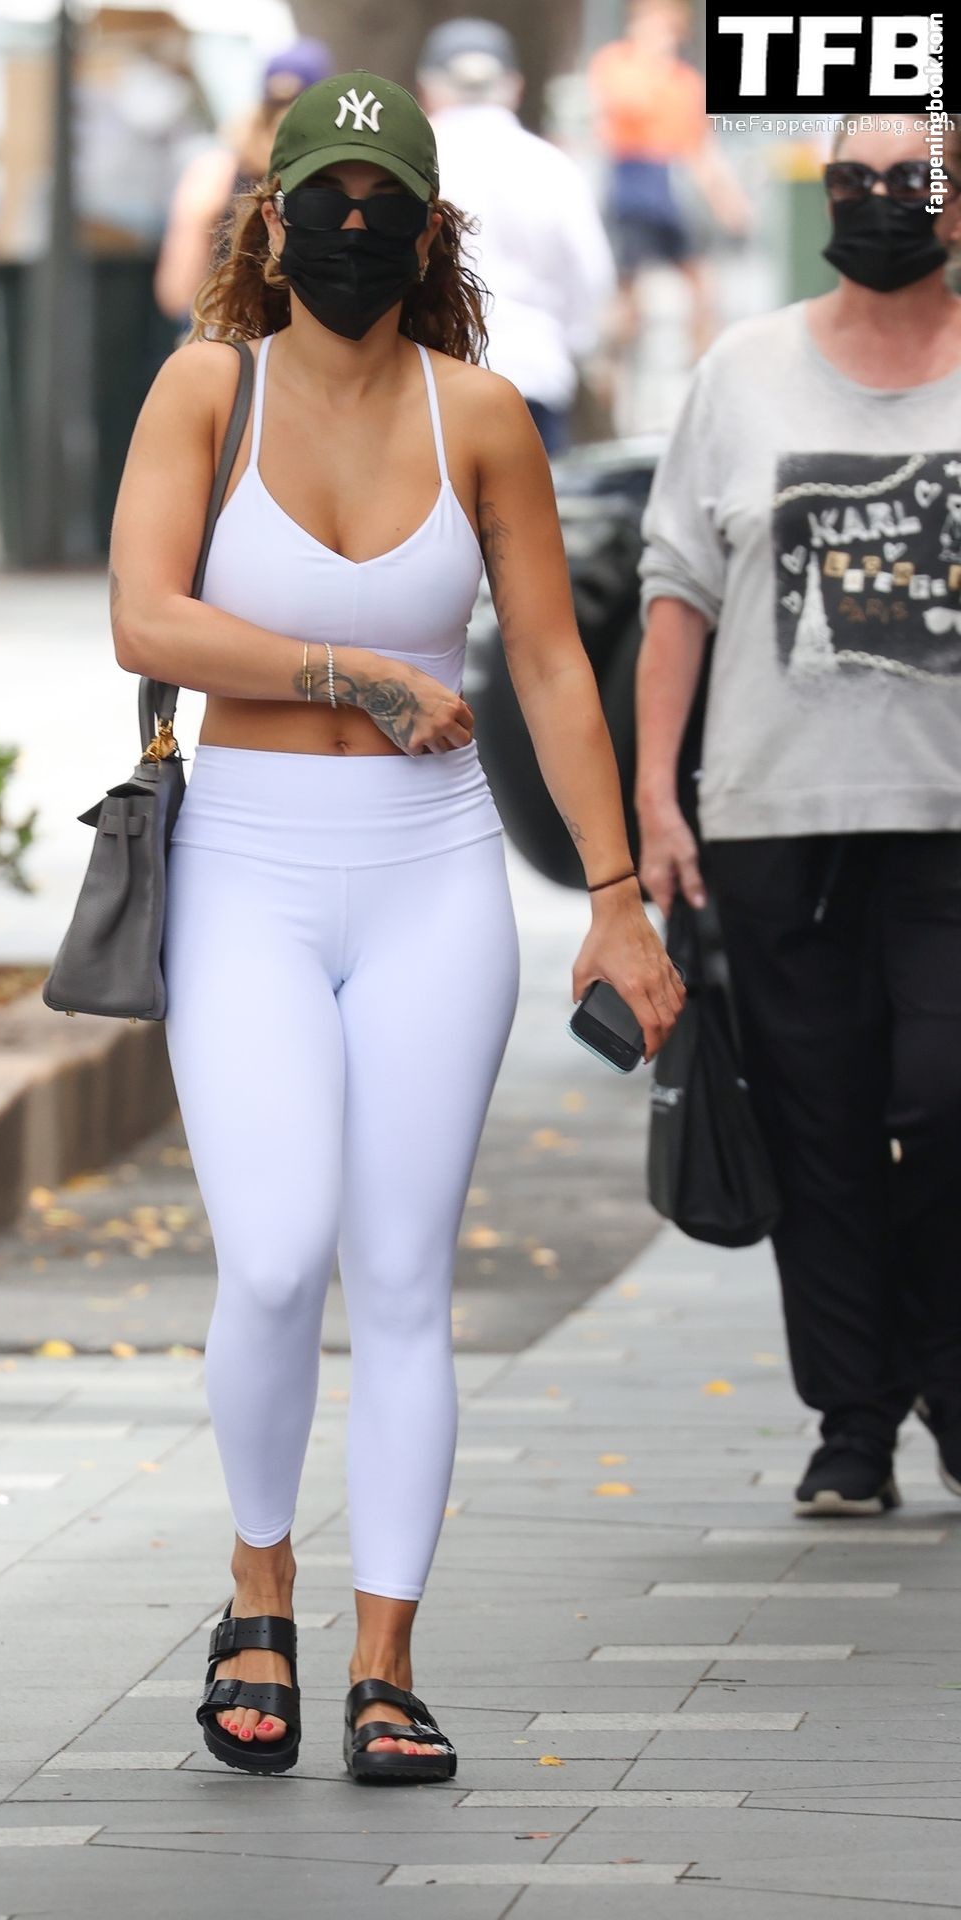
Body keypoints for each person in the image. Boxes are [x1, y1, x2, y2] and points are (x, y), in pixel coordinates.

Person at [111, 68, 683, 1781]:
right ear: (270, 218)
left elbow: (553, 666)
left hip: (433, 873)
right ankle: (258, 1588)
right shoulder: (206, 387)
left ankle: (386, 1661)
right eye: (325, 199)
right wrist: (345, 672)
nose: (352, 228)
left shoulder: (481, 416)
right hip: (251, 868)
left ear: (431, 232)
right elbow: (145, 619)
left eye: (387, 205)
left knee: (409, 1277)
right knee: (279, 1255)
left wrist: (617, 906)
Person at [635, 115, 961, 1517]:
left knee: (943, 1104)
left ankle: (947, 1378)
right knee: (817, 1128)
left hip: (949, 821)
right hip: (774, 817)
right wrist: (654, 795)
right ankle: (852, 1424)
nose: (878, 201)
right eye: (851, 180)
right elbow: (676, 588)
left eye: (911, 180)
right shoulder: (742, 370)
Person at [417, 16, 615, 455]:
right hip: (534, 373)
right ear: (515, 86)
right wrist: (570, 342)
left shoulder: (416, 163)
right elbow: (592, 273)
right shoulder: (552, 165)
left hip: (433, 376)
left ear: (427, 88)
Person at [588, 0, 752, 361]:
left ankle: (703, 365)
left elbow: (702, 149)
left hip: (668, 185)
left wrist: (727, 200)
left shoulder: (686, 83)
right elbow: (624, 104)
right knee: (627, 291)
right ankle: (612, 373)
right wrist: (651, 59)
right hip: (630, 182)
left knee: (701, 282)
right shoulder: (616, 63)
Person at [153, 38, 333, 328]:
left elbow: (176, 290)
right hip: (241, 327)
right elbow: (176, 289)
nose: (283, 120)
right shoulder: (217, 173)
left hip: (240, 326)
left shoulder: (216, 172)